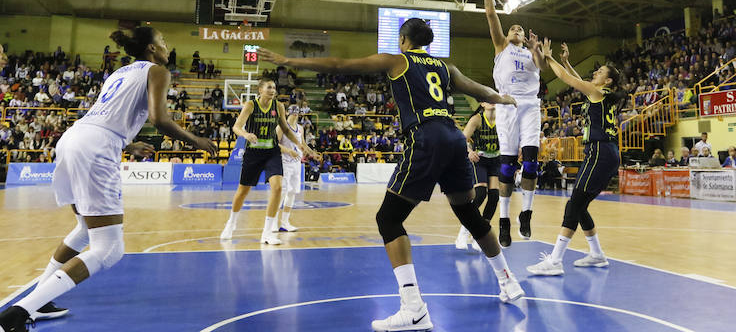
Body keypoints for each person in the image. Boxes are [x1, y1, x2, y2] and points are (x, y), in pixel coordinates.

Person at [258, 18, 523, 331]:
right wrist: (502, 98)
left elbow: (341, 65)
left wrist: (288, 60)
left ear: (403, 40)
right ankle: (509, 282)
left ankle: (414, 309)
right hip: (453, 137)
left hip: (426, 137)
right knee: (468, 213)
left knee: (388, 219)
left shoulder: (398, 61)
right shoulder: (445, 67)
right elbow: (477, 89)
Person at [0, 27, 216, 332]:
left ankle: (40, 299)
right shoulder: (158, 71)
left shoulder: (119, 73)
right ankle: (16, 314)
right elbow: (159, 119)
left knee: (84, 229)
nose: (167, 47)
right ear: (152, 49)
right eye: (163, 42)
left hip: (73, 138)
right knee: (109, 249)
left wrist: (128, 144)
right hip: (95, 147)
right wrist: (195, 140)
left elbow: (104, 116)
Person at [527, 37, 622, 276]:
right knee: (580, 205)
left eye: (600, 71)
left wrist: (549, 58)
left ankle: (555, 260)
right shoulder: (599, 93)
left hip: (600, 151)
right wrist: (567, 62)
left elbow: (568, 80)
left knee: (575, 203)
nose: (595, 72)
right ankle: (597, 254)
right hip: (604, 152)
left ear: (608, 80)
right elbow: (579, 81)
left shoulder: (598, 92)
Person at [478, 0, 545, 246]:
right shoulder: (501, 47)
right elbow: (491, 15)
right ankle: (504, 220)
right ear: (506, 36)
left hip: (530, 105)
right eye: (512, 28)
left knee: (531, 162)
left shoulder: (530, 52)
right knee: (507, 167)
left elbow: (542, 67)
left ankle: (526, 213)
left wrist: (537, 50)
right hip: (506, 105)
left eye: (520, 29)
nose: (516, 30)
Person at [219, 79, 319, 245]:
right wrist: (246, 135)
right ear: (260, 90)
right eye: (269, 87)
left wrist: (299, 144)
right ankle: (231, 223)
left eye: (274, 88)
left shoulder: (278, 106)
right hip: (253, 152)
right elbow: (236, 127)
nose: (273, 90)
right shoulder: (251, 105)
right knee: (243, 191)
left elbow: (285, 129)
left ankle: (267, 233)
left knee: (278, 187)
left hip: (272, 152)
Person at [455, 103, 502, 252]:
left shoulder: (502, 118)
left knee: (494, 197)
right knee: (480, 194)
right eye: (488, 99)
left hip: (495, 160)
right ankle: (464, 230)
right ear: (482, 103)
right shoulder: (477, 119)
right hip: (480, 160)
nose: (491, 101)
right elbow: (461, 139)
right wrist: (469, 152)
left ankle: (481, 234)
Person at [278, 104, 306, 233]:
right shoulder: (281, 127)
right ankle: (272, 222)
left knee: (292, 192)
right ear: (288, 112)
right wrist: (289, 151)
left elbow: (302, 144)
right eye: (293, 111)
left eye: (297, 111)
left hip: (296, 163)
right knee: (282, 192)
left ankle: (285, 222)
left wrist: (311, 153)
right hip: (284, 163)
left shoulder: (300, 128)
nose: (295, 113)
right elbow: (275, 144)